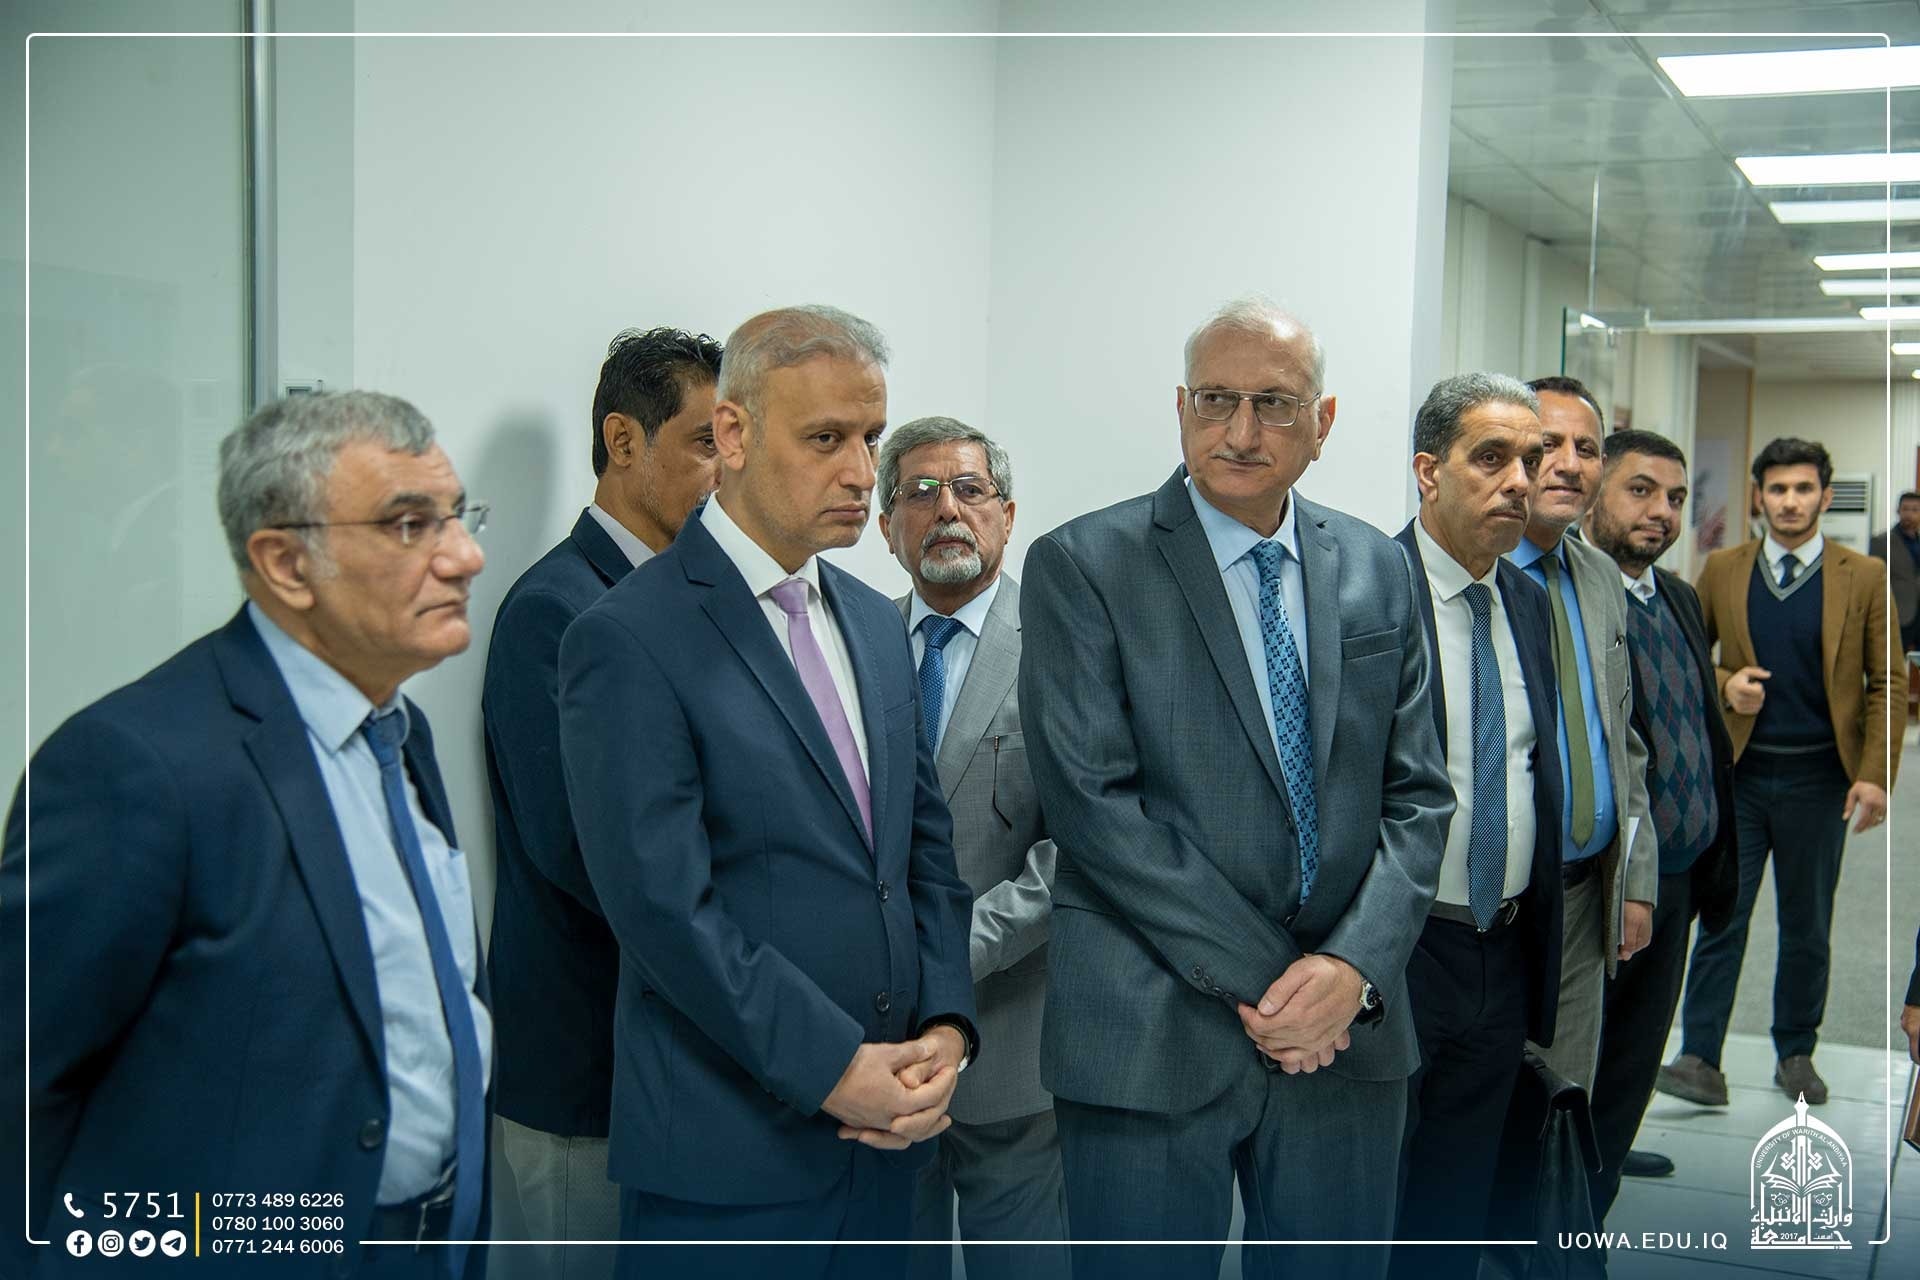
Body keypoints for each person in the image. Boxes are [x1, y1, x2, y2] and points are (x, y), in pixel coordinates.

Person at [2, 391, 492, 1278]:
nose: (465, 556)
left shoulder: (399, 730)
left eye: (457, 516)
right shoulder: (134, 767)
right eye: (409, 525)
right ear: (286, 564)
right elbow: (21, 1082)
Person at [1020, 298, 1453, 1280]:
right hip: (1148, 1029)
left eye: (1274, 403)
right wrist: (1284, 984)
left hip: (1346, 1041)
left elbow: (1421, 795)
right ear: (1181, 409)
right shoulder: (1083, 564)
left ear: (1323, 421)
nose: (1242, 431)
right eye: (1216, 400)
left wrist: (1350, 971)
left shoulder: (1379, 568)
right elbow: (1094, 806)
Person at [556, 305, 978, 1279]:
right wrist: (833, 1067)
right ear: (734, 434)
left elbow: (924, 852)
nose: (863, 472)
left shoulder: (874, 621)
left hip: (889, 1151)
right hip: (731, 1164)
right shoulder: (628, 636)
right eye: (826, 438)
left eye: (871, 437)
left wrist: (947, 1028)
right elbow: (664, 909)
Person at [483, 326, 722, 1276]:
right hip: (586, 1071)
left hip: (679, 1061)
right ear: (624, 441)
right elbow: (578, 849)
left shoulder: (689, 600)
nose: (726, 472)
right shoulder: (557, 608)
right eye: (704, 442)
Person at [877, 416, 1069, 1280]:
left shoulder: (1065, 644)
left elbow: (1077, 849)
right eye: (918, 493)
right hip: (881, 1055)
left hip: (1014, 1050)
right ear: (886, 526)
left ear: (1008, 513)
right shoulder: (853, 644)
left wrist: (946, 953)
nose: (946, 509)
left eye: (969, 489)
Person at [1659, 437, 1901, 1107]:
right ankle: (1699, 1057)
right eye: (1777, 489)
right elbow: (1687, 659)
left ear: (1825, 496)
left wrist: (1875, 774)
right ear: (1758, 497)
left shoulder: (1863, 575)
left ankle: (1796, 1051)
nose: (1789, 502)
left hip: (1820, 780)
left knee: (1807, 925)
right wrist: (1727, 683)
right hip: (1738, 778)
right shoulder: (1723, 569)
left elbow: (1886, 680)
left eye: (1802, 489)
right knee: (1722, 917)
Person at [1389, 373, 1563, 1280]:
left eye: (1530, 460)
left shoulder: (1527, 601)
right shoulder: (1367, 589)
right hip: (1398, 948)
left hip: (1503, 945)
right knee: (1372, 1192)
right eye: (1491, 458)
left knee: (1456, 1195)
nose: (1521, 481)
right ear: (1429, 471)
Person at [1577, 430, 1738, 1215]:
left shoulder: (1677, 596)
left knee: (1635, 1061)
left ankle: (1593, 1201)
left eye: (1675, 498)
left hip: (1678, 874)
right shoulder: (1569, 596)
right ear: (1593, 491)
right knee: (1582, 1062)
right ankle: (1556, 1228)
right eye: (1640, 490)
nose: (1663, 512)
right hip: (1606, 882)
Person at [1504, 376, 1657, 1098]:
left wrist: (1634, 880)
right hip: (1492, 908)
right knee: (1476, 1114)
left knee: (1561, 1107)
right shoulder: (1465, 574)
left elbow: (1623, 742)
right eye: (1548, 444)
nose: (1569, 464)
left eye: (1587, 449)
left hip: (1585, 899)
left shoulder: (1599, 577)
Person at [1868, 490, 1920, 654]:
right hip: (1898, 615)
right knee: (1892, 663)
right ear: (1898, 511)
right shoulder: (1881, 542)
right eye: (1905, 509)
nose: (1909, 514)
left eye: (1915, 510)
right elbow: (1873, 582)